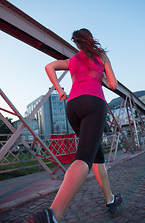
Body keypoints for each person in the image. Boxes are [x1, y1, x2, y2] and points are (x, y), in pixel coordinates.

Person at [27, 29, 122, 223]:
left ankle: (110, 200)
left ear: (77, 44)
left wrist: (61, 90)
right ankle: (53, 214)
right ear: (90, 39)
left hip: (73, 105)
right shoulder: (101, 56)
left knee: (97, 158)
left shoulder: (71, 61)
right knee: (83, 160)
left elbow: (49, 66)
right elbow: (113, 85)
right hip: (93, 103)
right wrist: (100, 75)